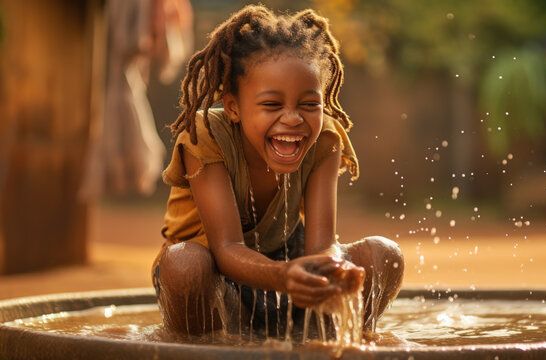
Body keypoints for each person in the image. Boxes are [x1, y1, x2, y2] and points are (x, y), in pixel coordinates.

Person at [152, 4, 404, 338]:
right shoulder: (206, 138)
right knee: (184, 265)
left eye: (309, 104)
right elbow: (226, 247)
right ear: (233, 107)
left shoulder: (325, 139)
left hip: (291, 267)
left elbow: (320, 245)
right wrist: (284, 276)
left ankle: (328, 340)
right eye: (272, 104)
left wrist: (328, 269)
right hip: (214, 282)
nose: (293, 118)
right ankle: (210, 347)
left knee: (384, 255)